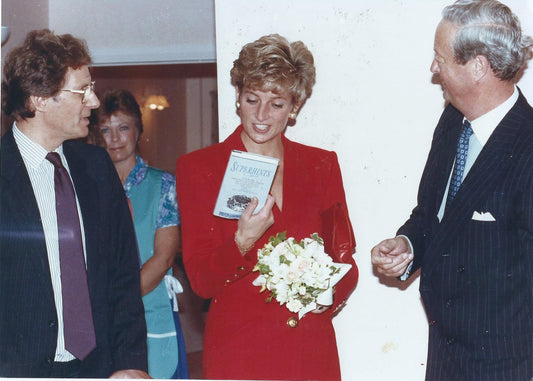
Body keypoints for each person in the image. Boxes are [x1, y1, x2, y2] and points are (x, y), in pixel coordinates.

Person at [176, 34, 358, 381]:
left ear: (294, 108)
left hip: (309, 350)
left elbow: (345, 261)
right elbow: (200, 281)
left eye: (276, 104)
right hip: (240, 353)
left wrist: (328, 293)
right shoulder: (199, 168)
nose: (261, 115)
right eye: (251, 99)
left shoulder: (321, 165)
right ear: (238, 99)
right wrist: (242, 242)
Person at [371, 1, 533, 380]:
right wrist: (409, 245)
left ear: (477, 66)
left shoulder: (528, 147)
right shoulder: (452, 121)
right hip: (445, 359)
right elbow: (432, 216)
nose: (433, 68)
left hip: (508, 367)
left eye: (440, 58)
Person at [0, 29, 149, 378]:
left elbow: (123, 277)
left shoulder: (97, 167)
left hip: (100, 369)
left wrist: (130, 363)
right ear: (39, 98)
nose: (94, 101)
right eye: (82, 91)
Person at [90, 89, 188, 379]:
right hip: (99, 315)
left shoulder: (163, 185)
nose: (115, 139)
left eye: (123, 128)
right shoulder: (87, 186)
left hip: (149, 309)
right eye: (105, 130)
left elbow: (164, 256)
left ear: (138, 131)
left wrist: (117, 300)